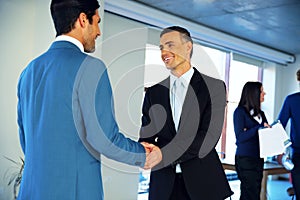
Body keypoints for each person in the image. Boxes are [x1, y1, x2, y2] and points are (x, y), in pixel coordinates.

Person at [16, 0, 162, 199]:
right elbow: (103, 138)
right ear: (83, 20)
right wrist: (143, 155)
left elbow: (26, 139)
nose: (99, 32)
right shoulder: (91, 67)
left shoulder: (29, 71)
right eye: (97, 22)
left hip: (31, 192)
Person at [139, 26, 233, 200]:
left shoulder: (214, 88)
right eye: (161, 47)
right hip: (164, 184)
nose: (164, 52)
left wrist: (164, 154)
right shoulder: (154, 92)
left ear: (188, 47)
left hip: (203, 183)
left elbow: (209, 137)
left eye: (170, 45)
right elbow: (147, 135)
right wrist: (143, 150)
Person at [233, 81, 270, 200]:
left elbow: (260, 135)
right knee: (249, 193)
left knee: (255, 192)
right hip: (245, 159)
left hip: (258, 158)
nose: (264, 93)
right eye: (261, 91)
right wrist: (258, 128)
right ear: (253, 94)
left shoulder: (261, 114)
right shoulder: (240, 112)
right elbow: (240, 137)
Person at [277, 69, 300, 199]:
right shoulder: (292, 100)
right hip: (297, 155)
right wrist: (280, 151)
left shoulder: (291, 100)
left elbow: (279, 126)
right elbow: (279, 126)